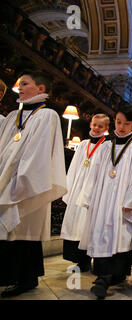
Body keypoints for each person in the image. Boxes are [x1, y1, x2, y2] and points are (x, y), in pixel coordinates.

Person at [0, 71, 67, 297]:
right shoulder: (11, 116)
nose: (19, 87)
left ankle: (25, 279)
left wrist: (21, 181)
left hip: (26, 185)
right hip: (5, 181)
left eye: (25, 83)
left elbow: (39, 154)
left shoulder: (47, 115)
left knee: (24, 233)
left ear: (40, 89)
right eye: (19, 83)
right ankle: (9, 277)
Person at [78, 105, 132, 299]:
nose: (121, 127)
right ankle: (103, 276)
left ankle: (114, 275)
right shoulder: (106, 145)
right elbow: (94, 173)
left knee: (120, 236)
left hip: (122, 201)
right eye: (119, 122)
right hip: (102, 198)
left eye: (126, 124)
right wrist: (88, 196)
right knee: (101, 234)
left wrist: (131, 199)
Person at [60, 114, 110, 272]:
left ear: (106, 129)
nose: (96, 128)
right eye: (94, 125)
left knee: (85, 227)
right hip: (77, 187)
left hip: (92, 191)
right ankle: (78, 259)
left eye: (100, 126)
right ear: (90, 125)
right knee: (74, 224)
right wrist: (68, 188)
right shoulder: (83, 144)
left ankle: (86, 259)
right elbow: (74, 166)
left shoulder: (106, 147)